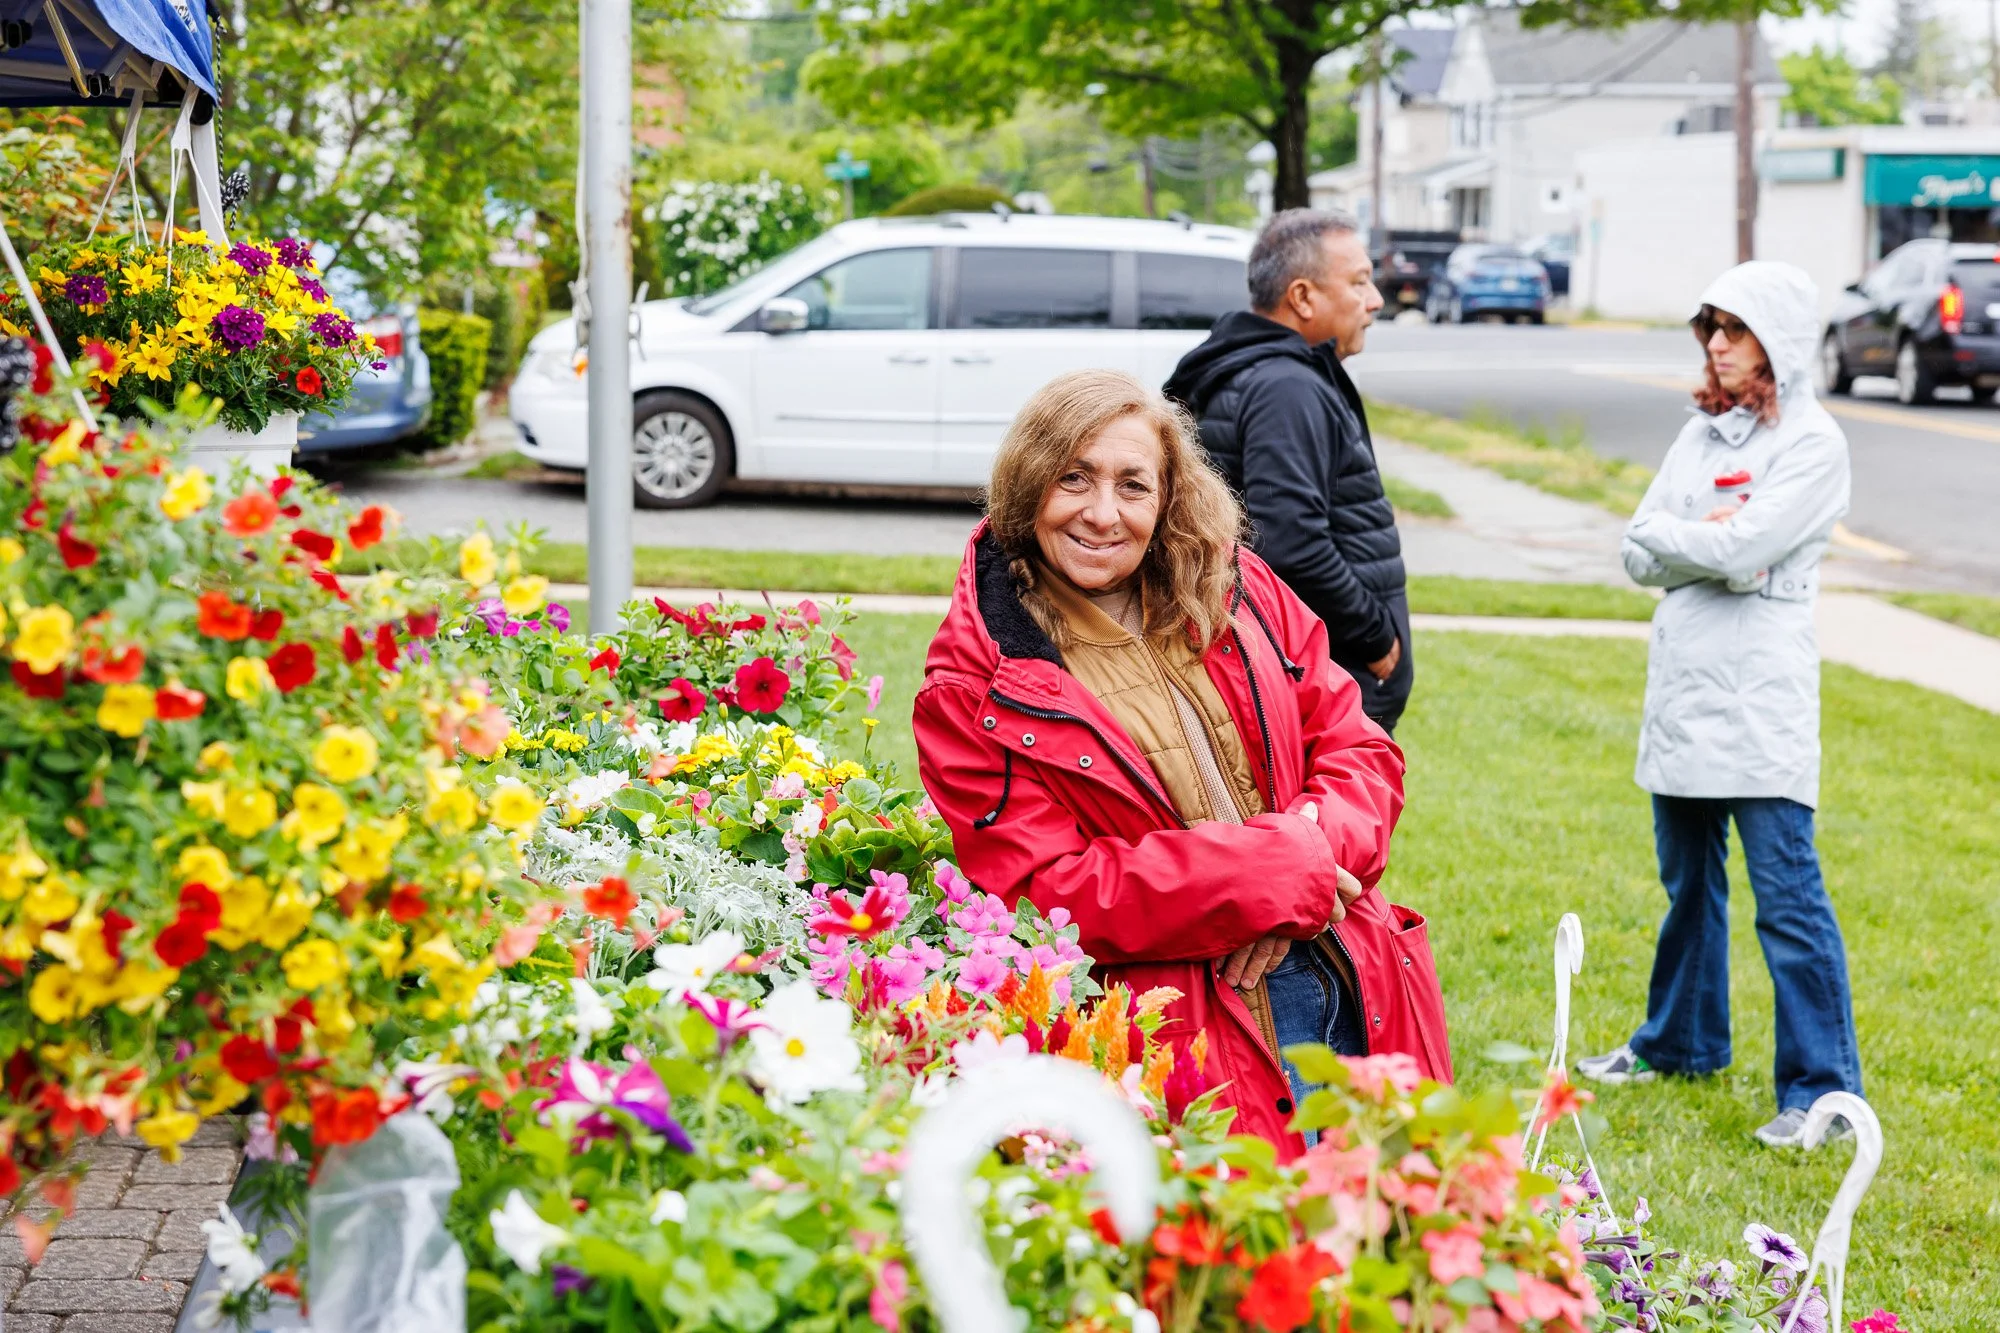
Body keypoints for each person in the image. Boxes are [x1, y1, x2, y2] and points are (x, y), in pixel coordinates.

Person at [915, 368, 1451, 1159]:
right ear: (1028, 482)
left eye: (1133, 485)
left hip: (1349, 973)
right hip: (1190, 1039)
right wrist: (1265, 877)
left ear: (1167, 498)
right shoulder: (974, 683)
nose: (1103, 513)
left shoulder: (1242, 589)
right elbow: (1043, 891)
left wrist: (1312, 852)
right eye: (1074, 478)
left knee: (1390, 1243)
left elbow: (1359, 746)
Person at [1578, 261, 1862, 1149]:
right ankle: (1681, 1042)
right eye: (1711, 328)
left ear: (1776, 341)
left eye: (1735, 330)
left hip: (1759, 695)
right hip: (1686, 686)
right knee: (1686, 883)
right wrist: (1715, 550)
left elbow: (1756, 542)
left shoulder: (1813, 443)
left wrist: (1701, 545)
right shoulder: (1701, 435)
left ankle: (1820, 1091)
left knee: (1787, 896)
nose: (1718, 345)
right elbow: (1640, 548)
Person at [1164, 208, 1412, 733]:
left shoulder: (1261, 372)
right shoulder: (1286, 387)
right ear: (1302, 297)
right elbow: (1292, 543)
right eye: (1359, 282)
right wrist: (1374, 636)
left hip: (1291, 667)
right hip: (1323, 676)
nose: (1375, 301)